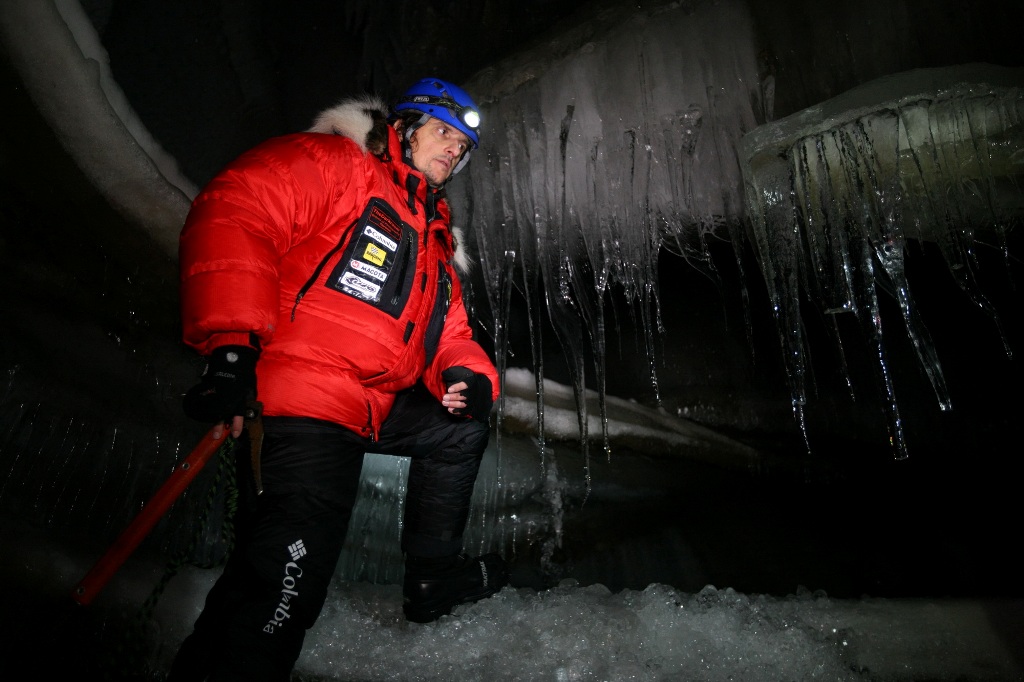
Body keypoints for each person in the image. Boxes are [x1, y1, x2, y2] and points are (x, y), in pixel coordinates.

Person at [167, 77, 508, 681]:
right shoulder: (338, 164)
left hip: (368, 403)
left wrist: (468, 375)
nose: (454, 151)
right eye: (444, 134)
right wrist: (231, 345)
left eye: (462, 147)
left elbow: (450, 332)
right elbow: (239, 208)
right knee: (285, 586)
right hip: (301, 399)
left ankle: (432, 580)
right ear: (403, 127)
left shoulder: (433, 238)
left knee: (458, 430)